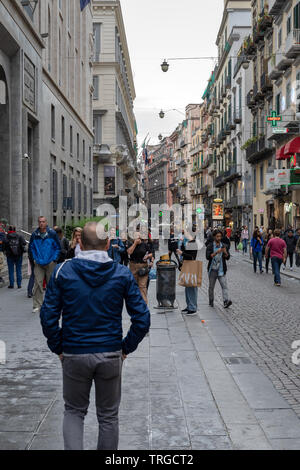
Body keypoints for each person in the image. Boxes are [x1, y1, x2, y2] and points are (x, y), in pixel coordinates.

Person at [40, 222, 150, 451]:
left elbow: (48, 315)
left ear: (79, 242)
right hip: (110, 352)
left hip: (74, 352)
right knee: (108, 417)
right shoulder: (121, 273)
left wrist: (58, 347)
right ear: (108, 244)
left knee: (73, 412)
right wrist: (124, 348)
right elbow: (142, 319)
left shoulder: (63, 271)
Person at [29, 216, 61, 314]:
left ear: (46, 222)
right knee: (37, 284)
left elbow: (58, 248)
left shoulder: (52, 234)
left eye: (43, 222)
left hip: (50, 262)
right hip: (38, 262)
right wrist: (34, 259)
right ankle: (37, 305)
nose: (41, 223)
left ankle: (51, 305)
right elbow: (31, 248)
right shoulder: (34, 235)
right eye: (40, 222)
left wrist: (54, 259)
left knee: (51, 284)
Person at [206, 229, 232, 309]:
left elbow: (228, 257)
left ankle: (226, 301)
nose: (219, 238)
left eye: (220, 236)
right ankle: (211, 301)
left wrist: (225, 252)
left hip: (221, 269)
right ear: (214, 237)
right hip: (212, 269)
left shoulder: (224, 245)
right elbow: (207, 257)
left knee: (224, 286)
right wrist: (217, 252)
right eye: (217, 236)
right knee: (211, 287)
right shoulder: (210, 246)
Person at [127, 231, 154, 304]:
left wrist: (148, 256)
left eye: (139, 237)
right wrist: (135, 244)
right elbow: (129, 252)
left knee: (142, 286)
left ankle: (144, 303)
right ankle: (135, 302)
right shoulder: (130, 244)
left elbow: (151, 253)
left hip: (143, 267)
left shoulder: (144, 245)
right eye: (136, 237)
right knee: (134, 285)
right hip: (133, 266)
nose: (138, 238)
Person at [176, 230, 199, 315]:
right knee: (187, 288)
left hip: (191, 266)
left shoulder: (193, 243)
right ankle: (189, 305)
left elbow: (192, 257)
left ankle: (192, 307)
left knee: (192, 288)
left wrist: (182, 253)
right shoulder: (188, 243)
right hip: (187, 265)